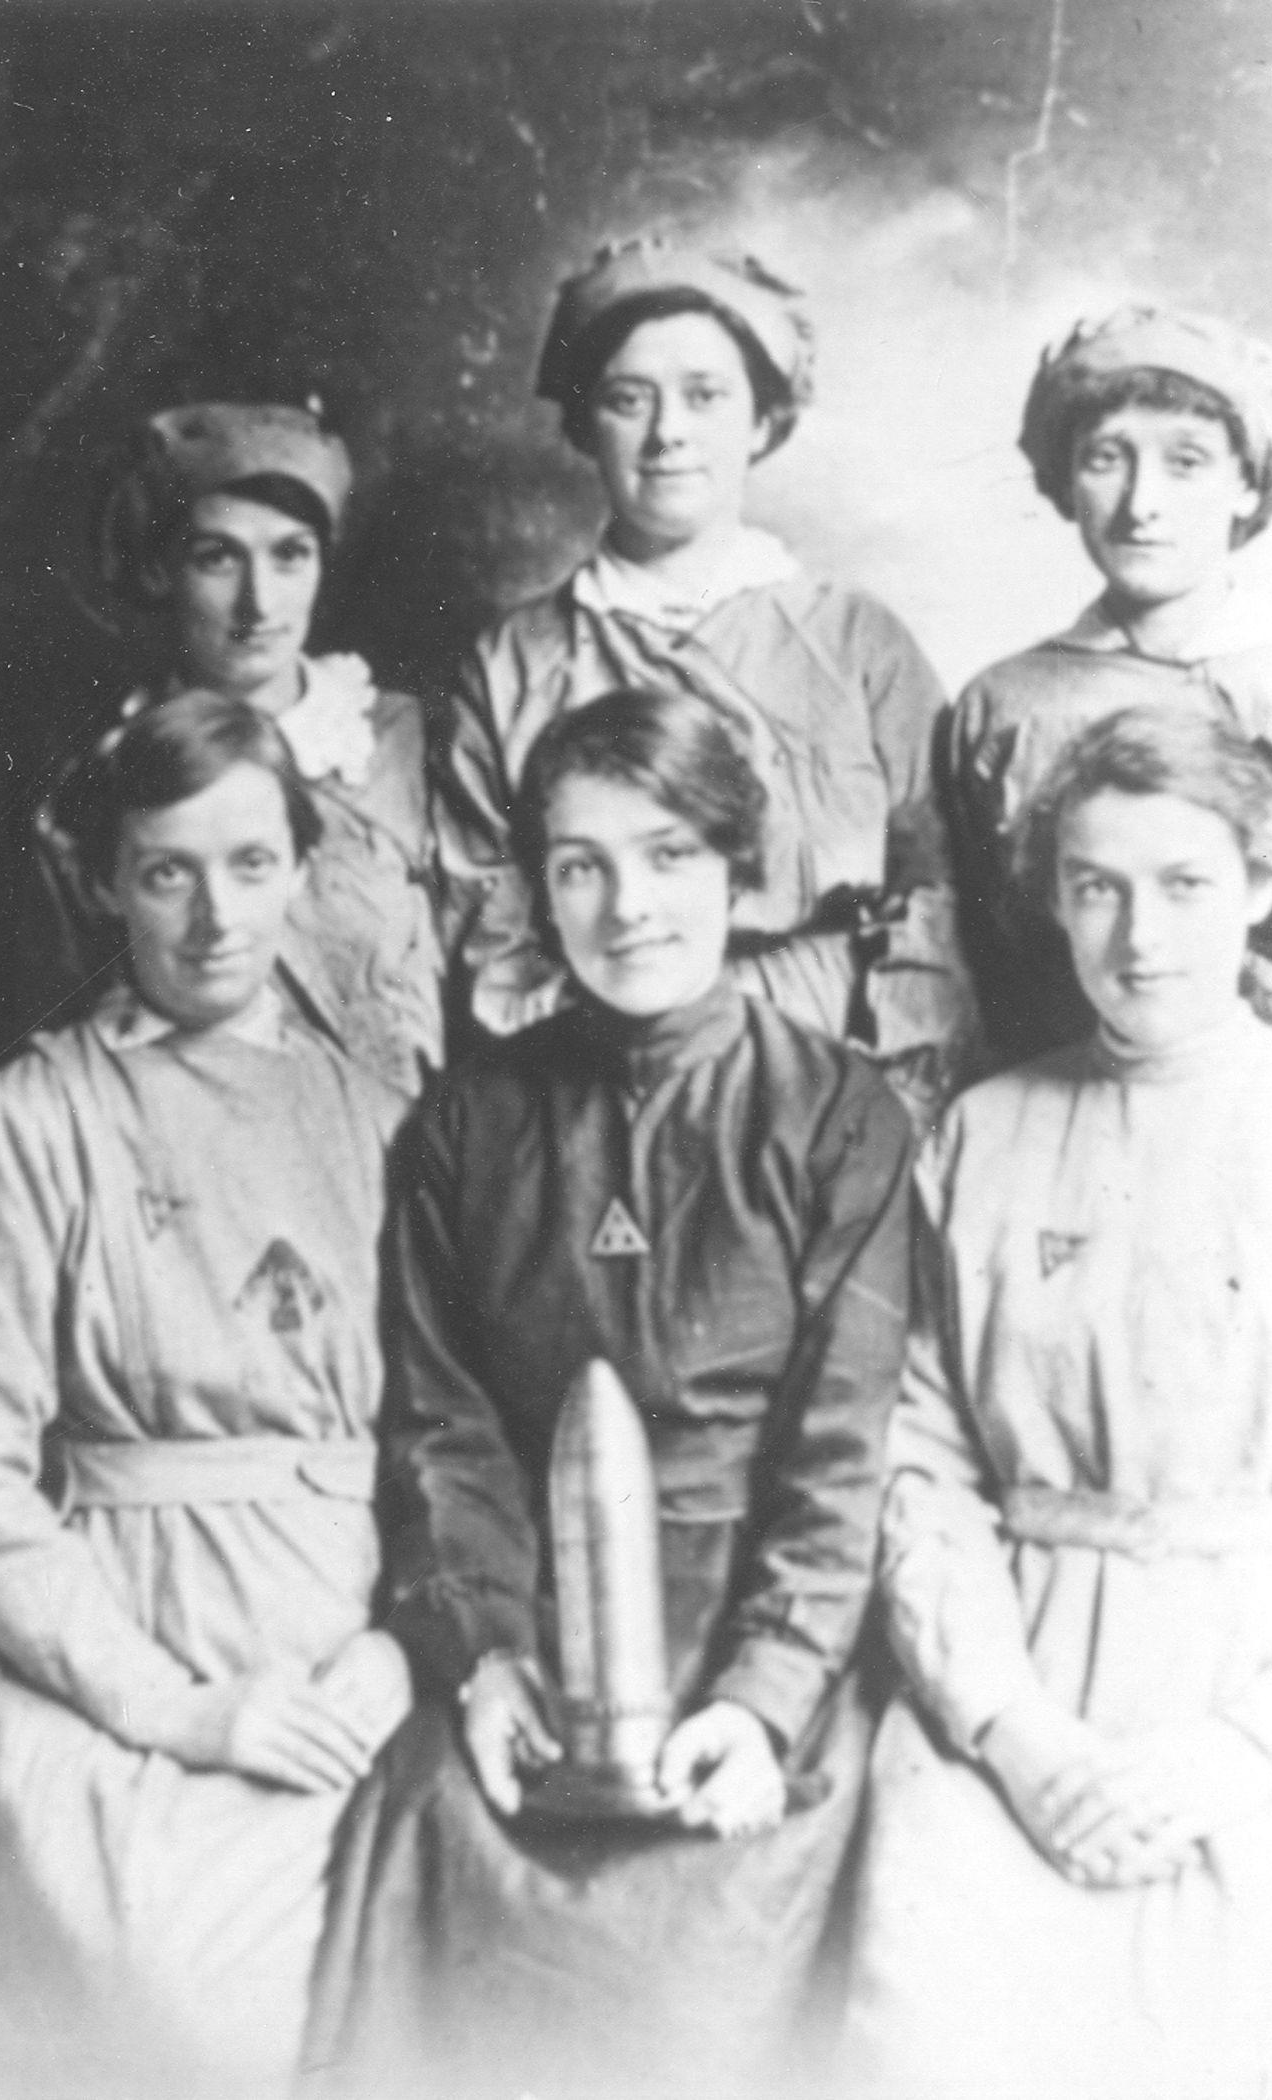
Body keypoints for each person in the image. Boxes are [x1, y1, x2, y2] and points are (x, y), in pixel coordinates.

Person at [302, 688, 913, 2100]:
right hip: (533, 1640)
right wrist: (490, 1657)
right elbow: (443, 1429)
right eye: (580, 865)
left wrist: (764, 1704)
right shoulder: (466, 1123)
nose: (627, 905)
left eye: (668, 855)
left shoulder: (838, 1114)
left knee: (732, 1957)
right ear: (538, 891)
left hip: (769, 1652)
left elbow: (843, 1452)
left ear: (735, 867)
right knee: (425, 1866)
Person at [0, 691, 413, 2097]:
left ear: (302, 872)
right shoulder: (33, 1120)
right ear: (109, 883)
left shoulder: (382, 1121)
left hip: (357, 1651)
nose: (212, 919)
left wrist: (399, 1653)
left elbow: (447, 1448)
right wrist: (175, 1709)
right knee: (208, 2015)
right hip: (126, 1654)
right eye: (168, 873)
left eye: (250, 866)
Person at [844, 707, 1272, 2100]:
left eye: (1183, 885)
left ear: (1262, 889)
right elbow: (915, 1466)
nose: (1137, 937)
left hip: (1241, 1696)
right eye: (1096, 887)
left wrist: (1240, 1749)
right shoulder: (980, 1129)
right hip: (1008, 1693)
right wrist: (1016, 1740)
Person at [436, 231, 972, 1121]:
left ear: (762, 422)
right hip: (598, 1083)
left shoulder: (856, 642)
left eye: (704, 396)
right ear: (583, 425)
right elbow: (486, 923)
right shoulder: (512, 663)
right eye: (627, 400)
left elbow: (936, 899)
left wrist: (888, 1109)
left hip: (831, 1071)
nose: (667, 434)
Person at [33, 399, 442, 1099]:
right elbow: (63, 1042)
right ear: (162, 571)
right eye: (217, 558)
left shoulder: (410, 744)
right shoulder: (101, 784)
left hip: (409, 1159)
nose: (258, 602)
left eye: (290, 555)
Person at [946, 305, 1272, 1066]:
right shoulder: (1004, 708)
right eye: (1106, 458)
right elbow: (967, 964)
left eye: (1185, 460)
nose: (1141, 505)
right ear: (1065, 480)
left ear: (1244, 483)